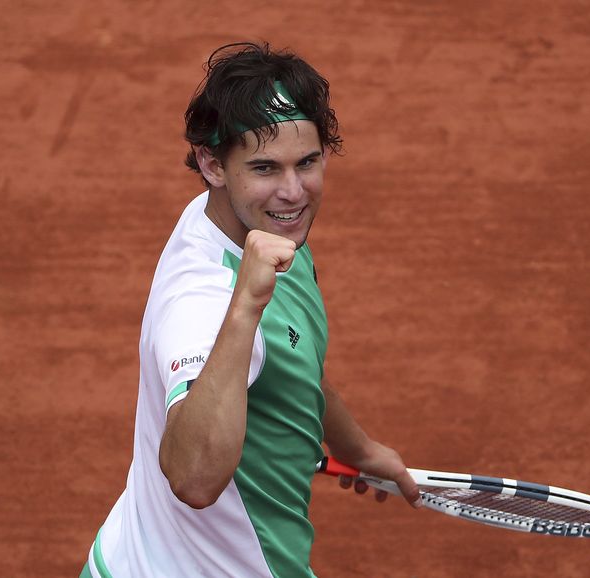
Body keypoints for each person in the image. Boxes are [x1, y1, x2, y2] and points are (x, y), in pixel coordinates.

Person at [80, 41, 420, 578]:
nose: (292, 192)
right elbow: (192, 477)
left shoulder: (250, 222)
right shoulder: (203, 303)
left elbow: (292, 358)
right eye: (265, 168)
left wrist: (356, 445)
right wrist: (246, 306)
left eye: (306, 162)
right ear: (211, 163)